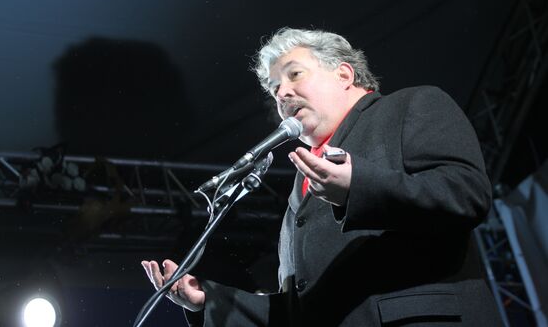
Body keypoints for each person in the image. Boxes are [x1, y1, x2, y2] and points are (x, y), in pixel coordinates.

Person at [142, 28, 503, 326]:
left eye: (294, 74)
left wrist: (356, 187)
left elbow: (466, 194)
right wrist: (210, 301)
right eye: (273, 89)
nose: (281, 93)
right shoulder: (300, 192)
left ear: (344, 74)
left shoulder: (410, 107)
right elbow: (301, 311)